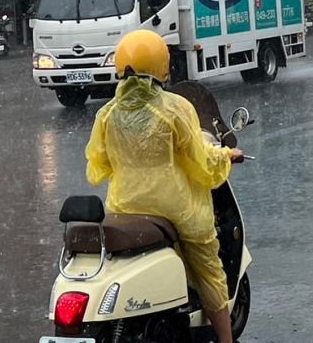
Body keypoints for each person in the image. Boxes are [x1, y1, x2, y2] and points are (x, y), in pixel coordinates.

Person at [85, 30, 245, 343]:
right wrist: (227, 154)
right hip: (175, 211)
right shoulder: (176, 108)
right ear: (162, 66)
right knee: (211, 272)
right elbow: (201, 161)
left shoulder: (107, 114)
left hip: (125, 210)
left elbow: (97, 165)